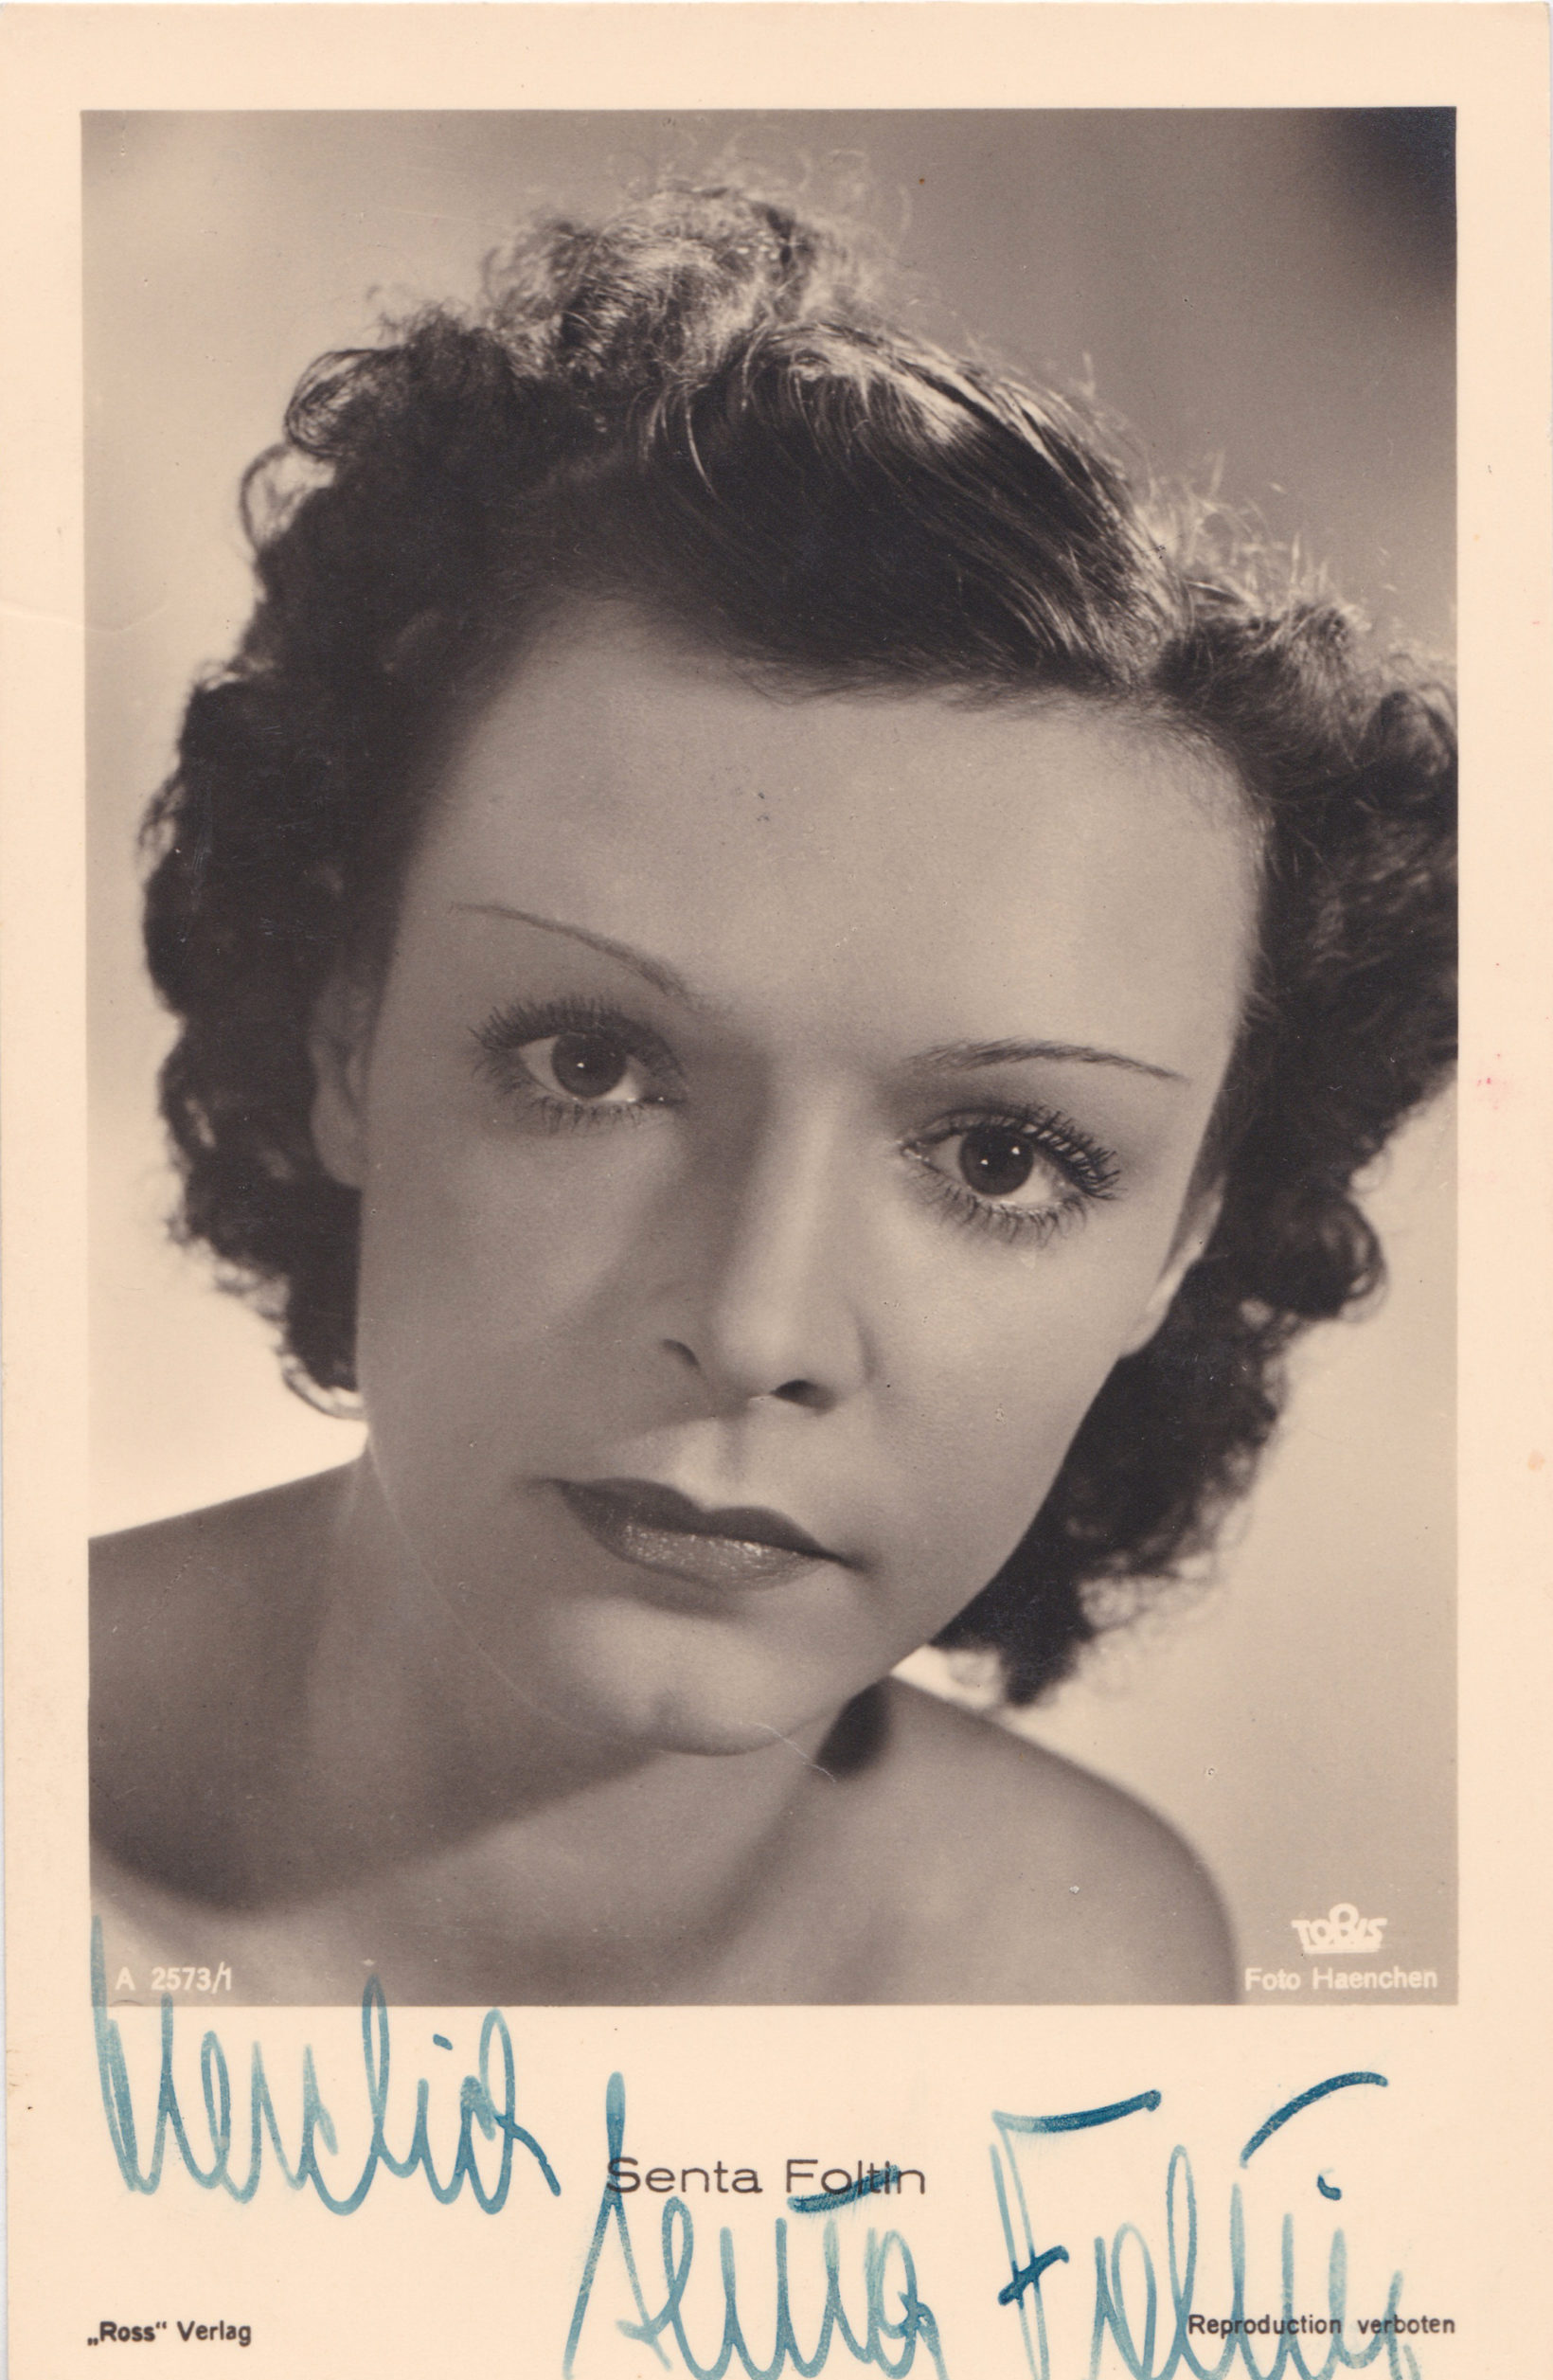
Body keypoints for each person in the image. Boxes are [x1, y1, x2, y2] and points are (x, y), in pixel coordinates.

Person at [89, 186, 1455, 2006]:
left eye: (1002, 1158)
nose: (753, 1328)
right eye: (591, 1064)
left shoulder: (1088, 1973)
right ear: (351, 1039)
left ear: (1181, 1243)